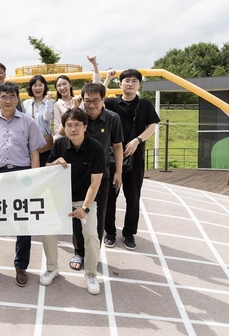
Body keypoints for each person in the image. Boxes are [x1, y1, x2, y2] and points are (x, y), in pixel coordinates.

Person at [0, 82, 44, 287]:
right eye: (4, 96)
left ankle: (21, 265)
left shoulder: (29, 122)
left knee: (23, 223)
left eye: (12, 96)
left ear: (17, 99)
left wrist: (34, 179)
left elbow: (34, 153)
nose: (8, 100)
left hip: (22, 174)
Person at [44, 108, 105, 295]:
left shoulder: (96, 148)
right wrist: (54, 164)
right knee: (47, 230)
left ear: (85, 126)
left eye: (77, 125)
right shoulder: (60, 144)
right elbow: (46, 168)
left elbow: (95, 184)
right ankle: (52, 268)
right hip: (60, 198)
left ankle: (91, 273)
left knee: (91, 235)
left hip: (85, 200)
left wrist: (85, 208)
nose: (73, 129)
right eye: (69, 125)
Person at [68, 83, 123, 272]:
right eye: (87, 101)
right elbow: (63, 133)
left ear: (103, 100)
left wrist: (118, 171)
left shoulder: (113, 119)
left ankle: (93, 252)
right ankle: (78, 252)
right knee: (76, 213)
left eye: (96, 101)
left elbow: (117, 146)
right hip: (78, 175)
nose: (91, 105)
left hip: (102, 175)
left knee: (97, 215)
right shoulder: (78, 116)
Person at [103, 69, 159, 251]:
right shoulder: (111, 103)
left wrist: (137, 140)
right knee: (110, 196)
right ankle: (110, 232)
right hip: (112, 157)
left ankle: (129, 233)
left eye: (134, 81)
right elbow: (96, 98)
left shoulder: (145, 105)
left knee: (133, 197)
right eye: (126, 80)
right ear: (120, 84)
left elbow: (152, 127)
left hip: (136, 158)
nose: (130, 83)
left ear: (139, 85)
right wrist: (107, 79)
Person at [22, 75, 54, 166]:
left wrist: (48, 102)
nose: (38, 88)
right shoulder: (26, 104)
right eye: (35, 85)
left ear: (45, 86)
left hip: (46, 143)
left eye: (40, 85)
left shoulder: (51, 102)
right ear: (31, 87)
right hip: (30, 143)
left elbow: (47, 118)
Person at [52, 75, 76, 140]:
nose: (62, 88)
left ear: (70, 84)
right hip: (66, 141)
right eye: (59, 86)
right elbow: (58, 130)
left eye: (64, 84)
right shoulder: (57, 105)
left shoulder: (78, 100)